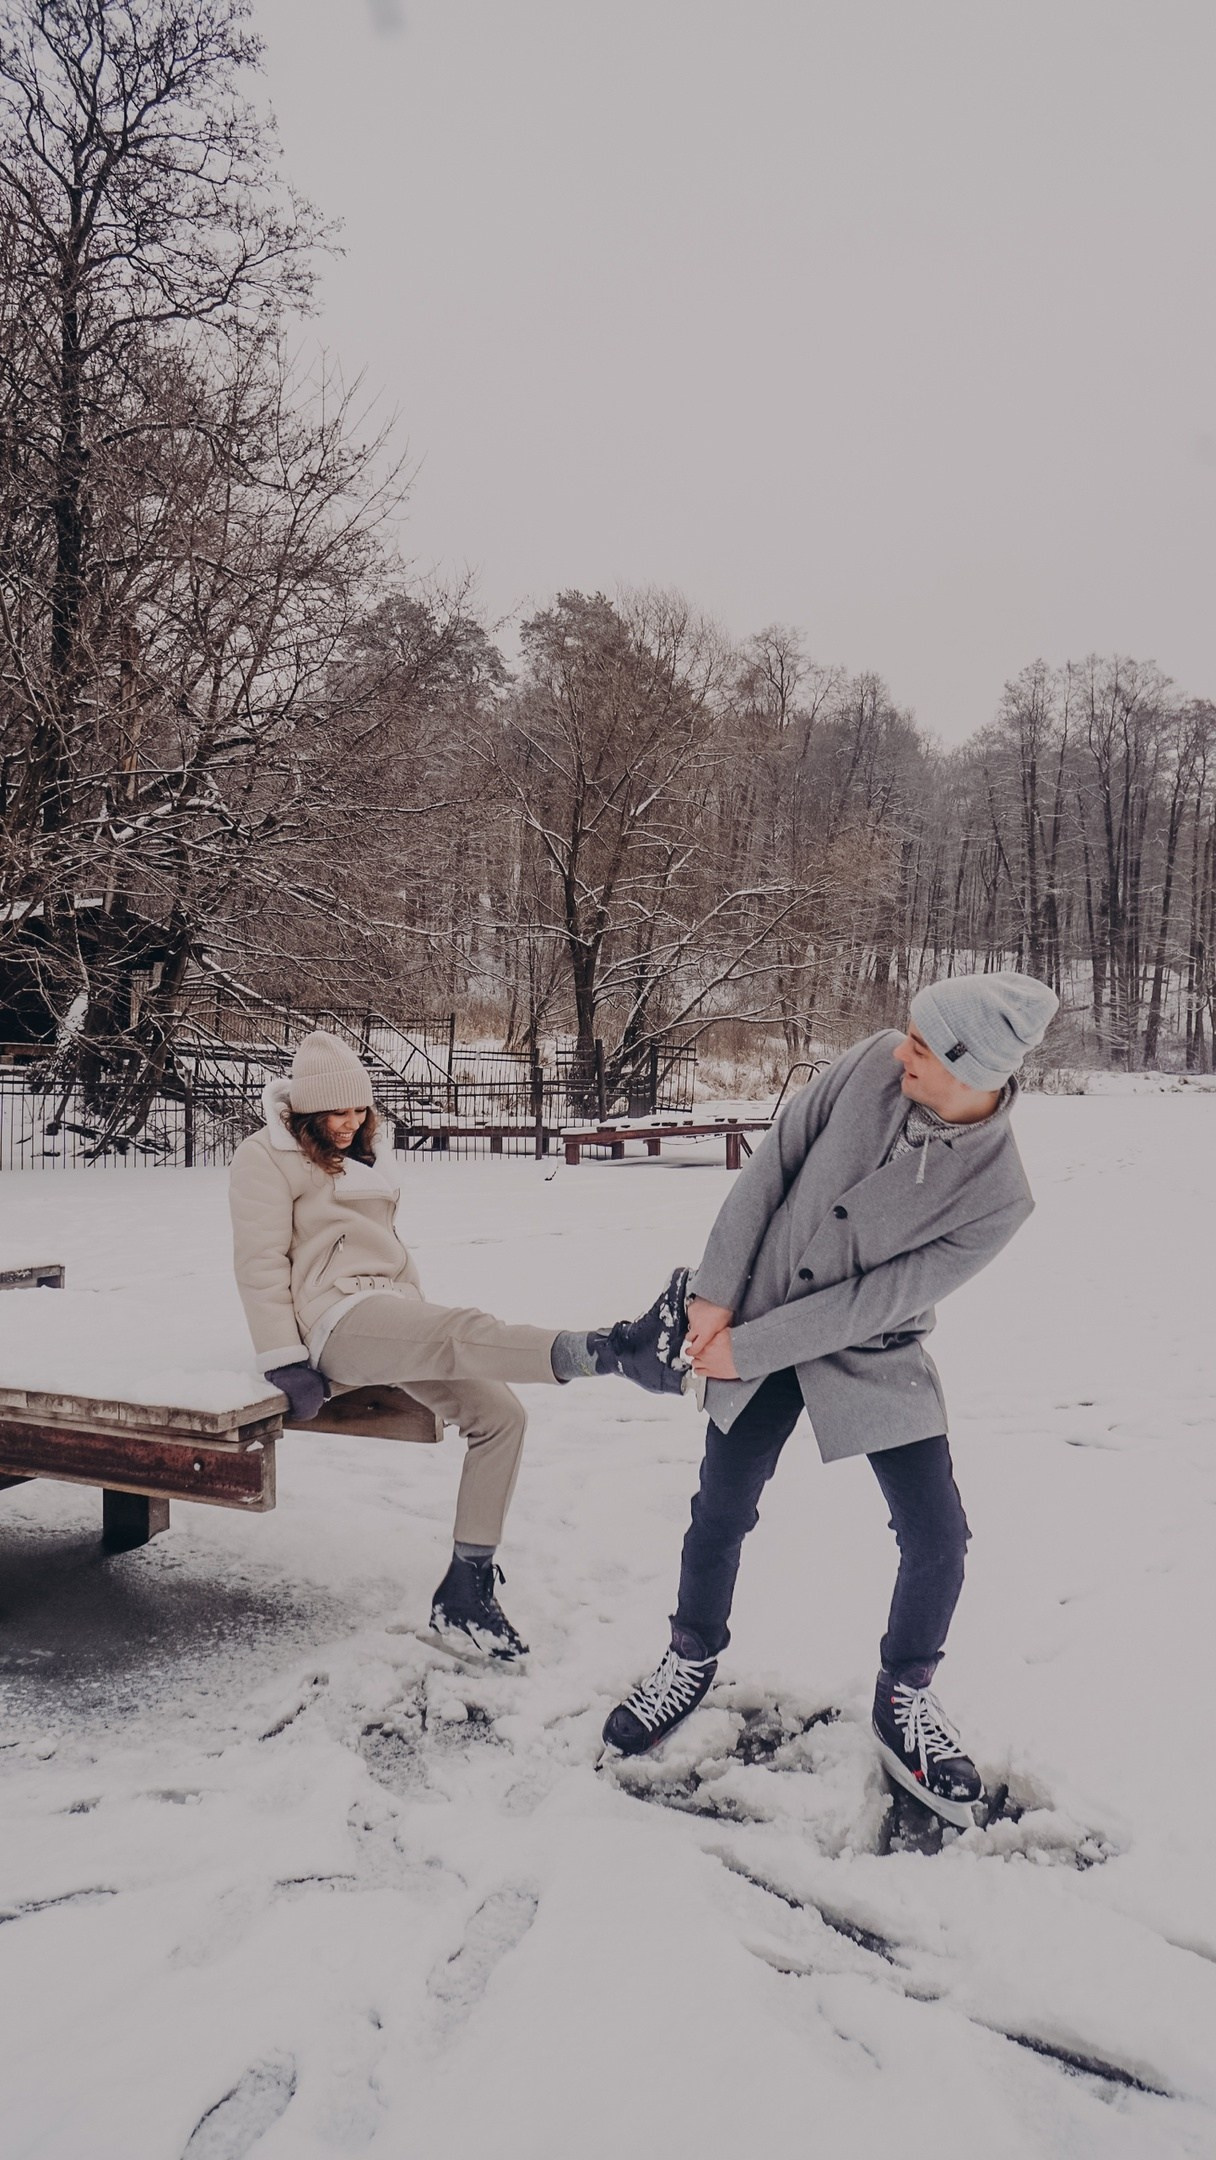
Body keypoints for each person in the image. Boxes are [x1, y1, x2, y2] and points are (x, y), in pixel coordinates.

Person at [602, 972, 1059, 1827]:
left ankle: (905, 1694)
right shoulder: (870, 1063)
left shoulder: (1000, 1196)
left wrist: (748, 1349)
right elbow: (772, 1165)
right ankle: (690, 1655)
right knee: (720, 1510)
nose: (902, 1050)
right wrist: (715, 1295)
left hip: (871, 1350)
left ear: (973, 1068)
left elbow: (880, 1300)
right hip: (759, 1308)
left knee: (939, 1537)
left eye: (922, 1045)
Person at [229, 1032, 686, 1660]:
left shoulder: (368, 1155)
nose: (351, 1122)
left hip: (388, 1310)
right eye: (336, 1113)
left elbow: (386, 1251)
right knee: (461, 1331)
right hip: (330, 1318)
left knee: (501, 1415)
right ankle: (612, 1350)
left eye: (360, 1109)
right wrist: (284, 1360)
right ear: (307, 1111)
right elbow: (258, 1264)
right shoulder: (266, 1156)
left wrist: (408, 1308)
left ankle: (466, 1589)